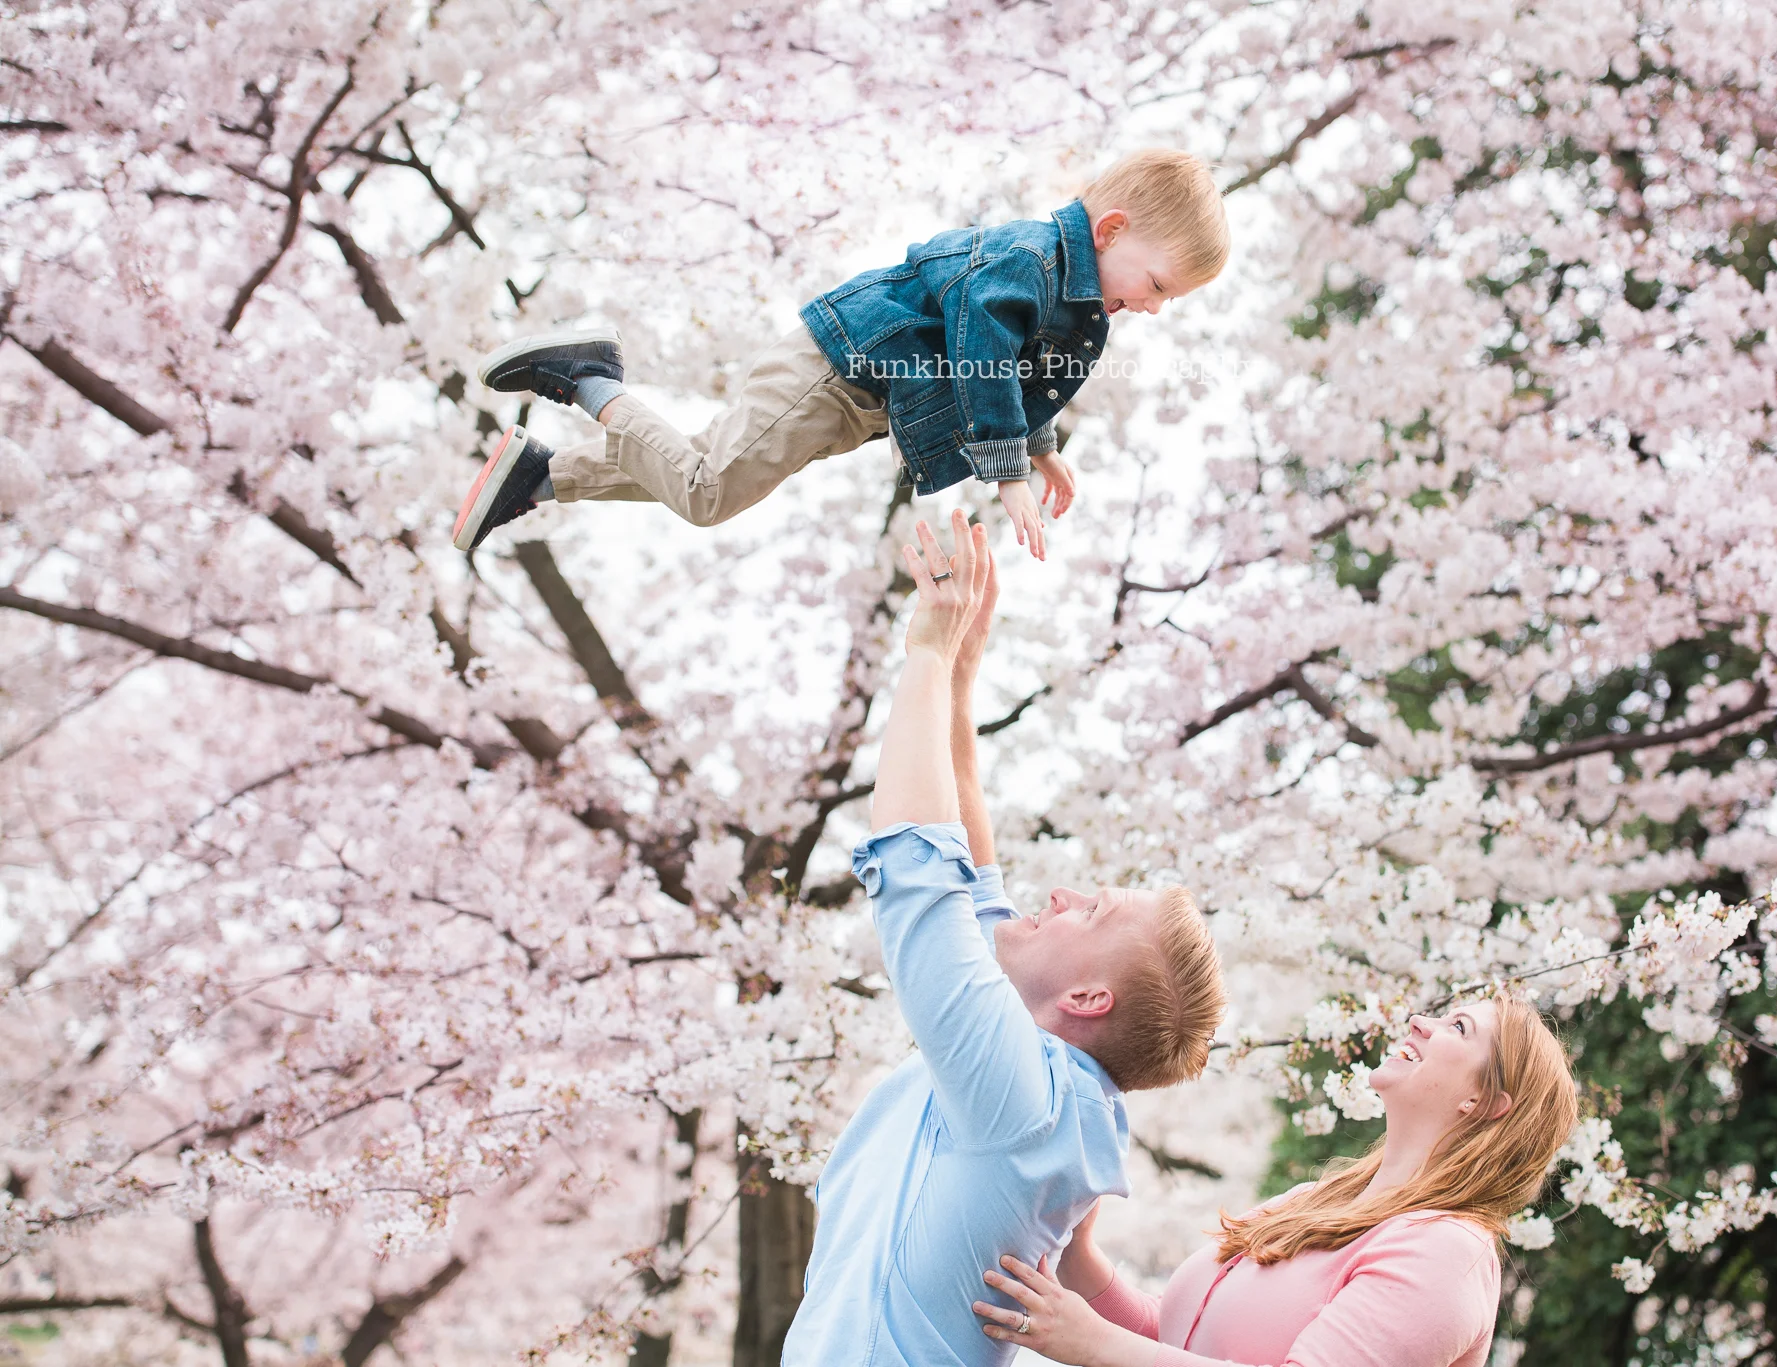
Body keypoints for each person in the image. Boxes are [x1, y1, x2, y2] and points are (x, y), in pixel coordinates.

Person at [780, 509, 1228, 1367]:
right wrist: (958, 678)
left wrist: (926, 647)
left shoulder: (1026, 1099)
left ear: (1088, 999)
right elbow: (975, 884)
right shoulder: (1042, 1084)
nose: (1058, 892)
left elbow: (921, 869)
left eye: (1088, 911)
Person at [451, 149, 1230, 559]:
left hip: (855, 400)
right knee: (708, 492)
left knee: (701, 465)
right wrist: (1009, 470)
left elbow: (1030, 376)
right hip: (834, 370)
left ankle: (542, 476)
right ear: (1112, 230)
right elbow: (985, 349)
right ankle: (589, 377)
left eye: (1170, 300)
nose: (1155, 307)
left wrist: (1038, 444)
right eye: (1158, 283)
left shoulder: (1076, 302)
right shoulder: (1027, 260)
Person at [970, 994, 1579, 1367]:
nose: (1421, 1022)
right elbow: (1180, 1342)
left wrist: (1094, 1344)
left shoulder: (1447, 1254)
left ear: (1488, 1101)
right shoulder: (1312, 1203)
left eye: (1460, 1029)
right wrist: (1080, 1259)